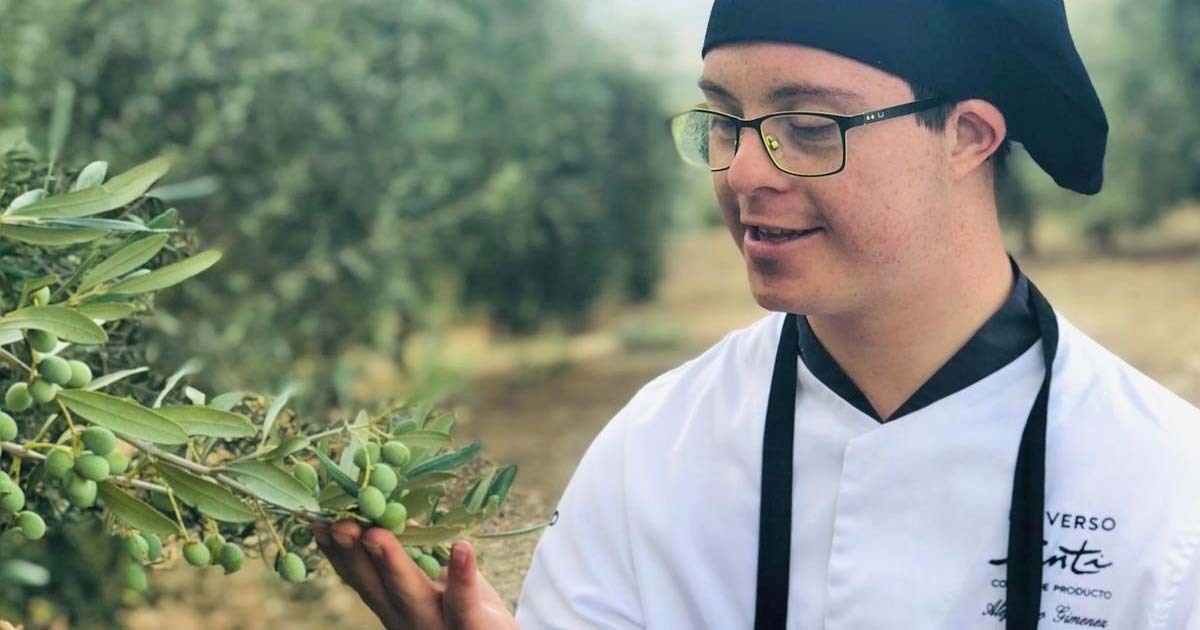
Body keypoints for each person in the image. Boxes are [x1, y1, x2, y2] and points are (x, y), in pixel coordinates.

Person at [313, 0, 1200, 628]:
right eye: (725, 119)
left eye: (809, 126)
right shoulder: (658, 448)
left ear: (969, 136)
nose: (742, 171)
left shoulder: (1162, 494)